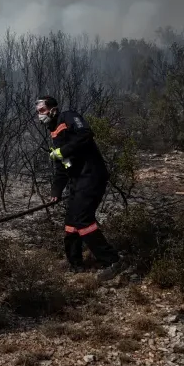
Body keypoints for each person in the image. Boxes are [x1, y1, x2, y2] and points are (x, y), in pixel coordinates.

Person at [35, 96, 122, 281]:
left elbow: (86, 135)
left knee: (83, 220)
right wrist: (56, 191)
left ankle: (112, 261)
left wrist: (63, 151)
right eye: (38, 112)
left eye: (42, 111)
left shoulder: (68, 117)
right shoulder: (54, 134)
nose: (39, 115)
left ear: (53, 109)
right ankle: (75, 264)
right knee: (71, 222)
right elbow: (63, 166)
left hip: (91, 175)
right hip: (77, 180)